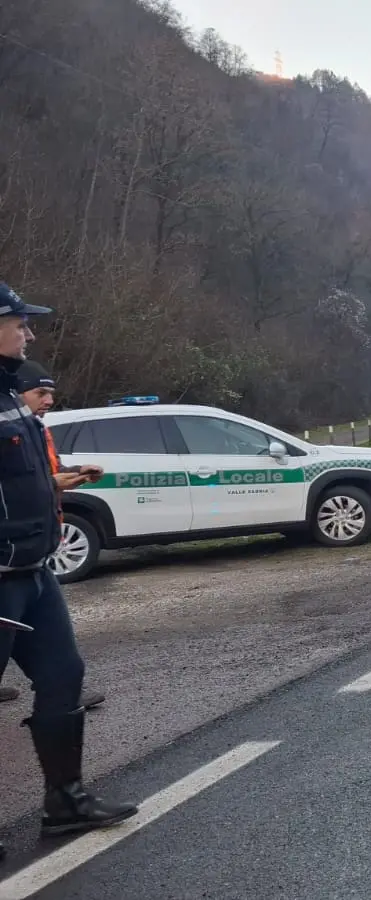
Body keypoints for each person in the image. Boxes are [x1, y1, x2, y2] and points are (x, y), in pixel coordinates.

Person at [0, 283, 137, 861]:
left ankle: (66, 802)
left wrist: (59, 481)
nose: (29, 333)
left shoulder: (11, 395)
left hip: (34, 569)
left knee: (64, 674)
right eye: (20, 323)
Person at [0, 361, 107, 710]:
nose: (48, 400)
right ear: (16, 393)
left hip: (36, 556)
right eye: (40, 392)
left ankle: (64, 694)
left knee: (52, 655)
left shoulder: (37, 429)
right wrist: (56, 481)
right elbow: (21, 486)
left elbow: (46, 475)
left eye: (51, 394)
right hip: (8, 560)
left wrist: (74, 473)